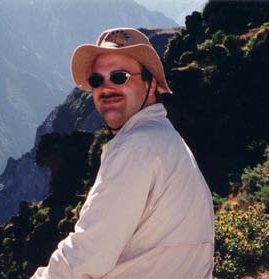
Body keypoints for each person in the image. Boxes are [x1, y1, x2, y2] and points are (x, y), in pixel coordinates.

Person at [31, 27, 214, 279]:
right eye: (97, 80)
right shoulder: (164, 139)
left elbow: (87, 255)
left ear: (150, 85)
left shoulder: (136, 148)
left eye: (119, 77)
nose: (106, 88)